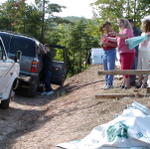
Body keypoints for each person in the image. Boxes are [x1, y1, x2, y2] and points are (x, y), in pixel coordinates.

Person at [105, 18, 135, 89]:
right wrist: (107, 38)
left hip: (128, 52)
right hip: (122, 52)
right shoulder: (121, 31)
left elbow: (124, 36)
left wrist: (115, 34)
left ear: (124, 23)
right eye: (118, 23)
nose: (118, 24)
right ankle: (125, 84)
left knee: (125, 68)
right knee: (123, 68)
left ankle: (127, 85)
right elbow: (116, 39)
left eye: (120, 23)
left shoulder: (128, 30)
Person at [100, 21, 117, 89]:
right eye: (105, 27)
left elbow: (116, 45)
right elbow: (102, 43)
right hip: (105, 52)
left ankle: (110, 84)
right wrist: (102, 44)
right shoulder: (104, 35)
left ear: (110, 26)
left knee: (110, 68)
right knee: (105, 69)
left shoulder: (113, 34)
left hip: (111, 52)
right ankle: (106, 83)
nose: (106, 28)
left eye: (108, 26)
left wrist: (108, 44)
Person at [137, 17, 150, 88]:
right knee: (140, 66)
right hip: (141, 50)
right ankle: (139, 81)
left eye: (144, 23)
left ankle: (144, 82)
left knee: (146, 66)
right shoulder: (142, 33)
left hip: (147, 51)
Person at [128, 19, 141, 86]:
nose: (129, 25)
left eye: (130, 23)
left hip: (136, 51)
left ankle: (139, 81)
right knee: (131, 66)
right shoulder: (127, 31)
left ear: (132, 23)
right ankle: (132, 81)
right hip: (129, 52)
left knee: (137, 66)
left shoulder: (137, 30)